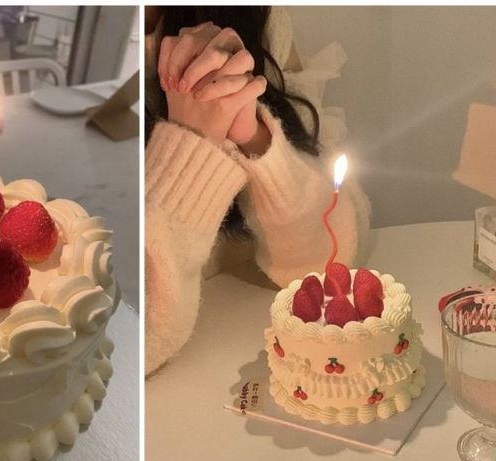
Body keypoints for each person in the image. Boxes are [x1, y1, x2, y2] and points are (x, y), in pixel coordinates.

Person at [145, 6, 371, 374]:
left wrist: (254, 138)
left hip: (250, 348)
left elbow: (325, 264)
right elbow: (115, 341)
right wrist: (190, 146)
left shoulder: (254, 19)